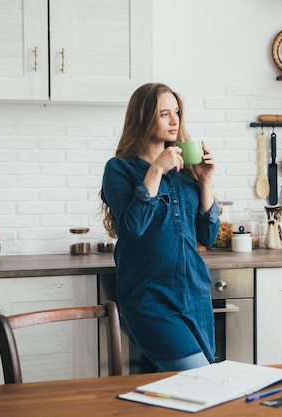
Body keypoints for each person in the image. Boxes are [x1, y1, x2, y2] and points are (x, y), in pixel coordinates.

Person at [100, 82, 220, 371]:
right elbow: (132, 228)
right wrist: (156, 169)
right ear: (143, 118)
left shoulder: (185, 171)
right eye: (164, 113)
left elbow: (208, 234)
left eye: (176, 112)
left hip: (194, 293)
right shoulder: (119, 169)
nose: (175, 120)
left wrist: (204, 180)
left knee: (187, 388)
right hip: (149, 297)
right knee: (200, 376)